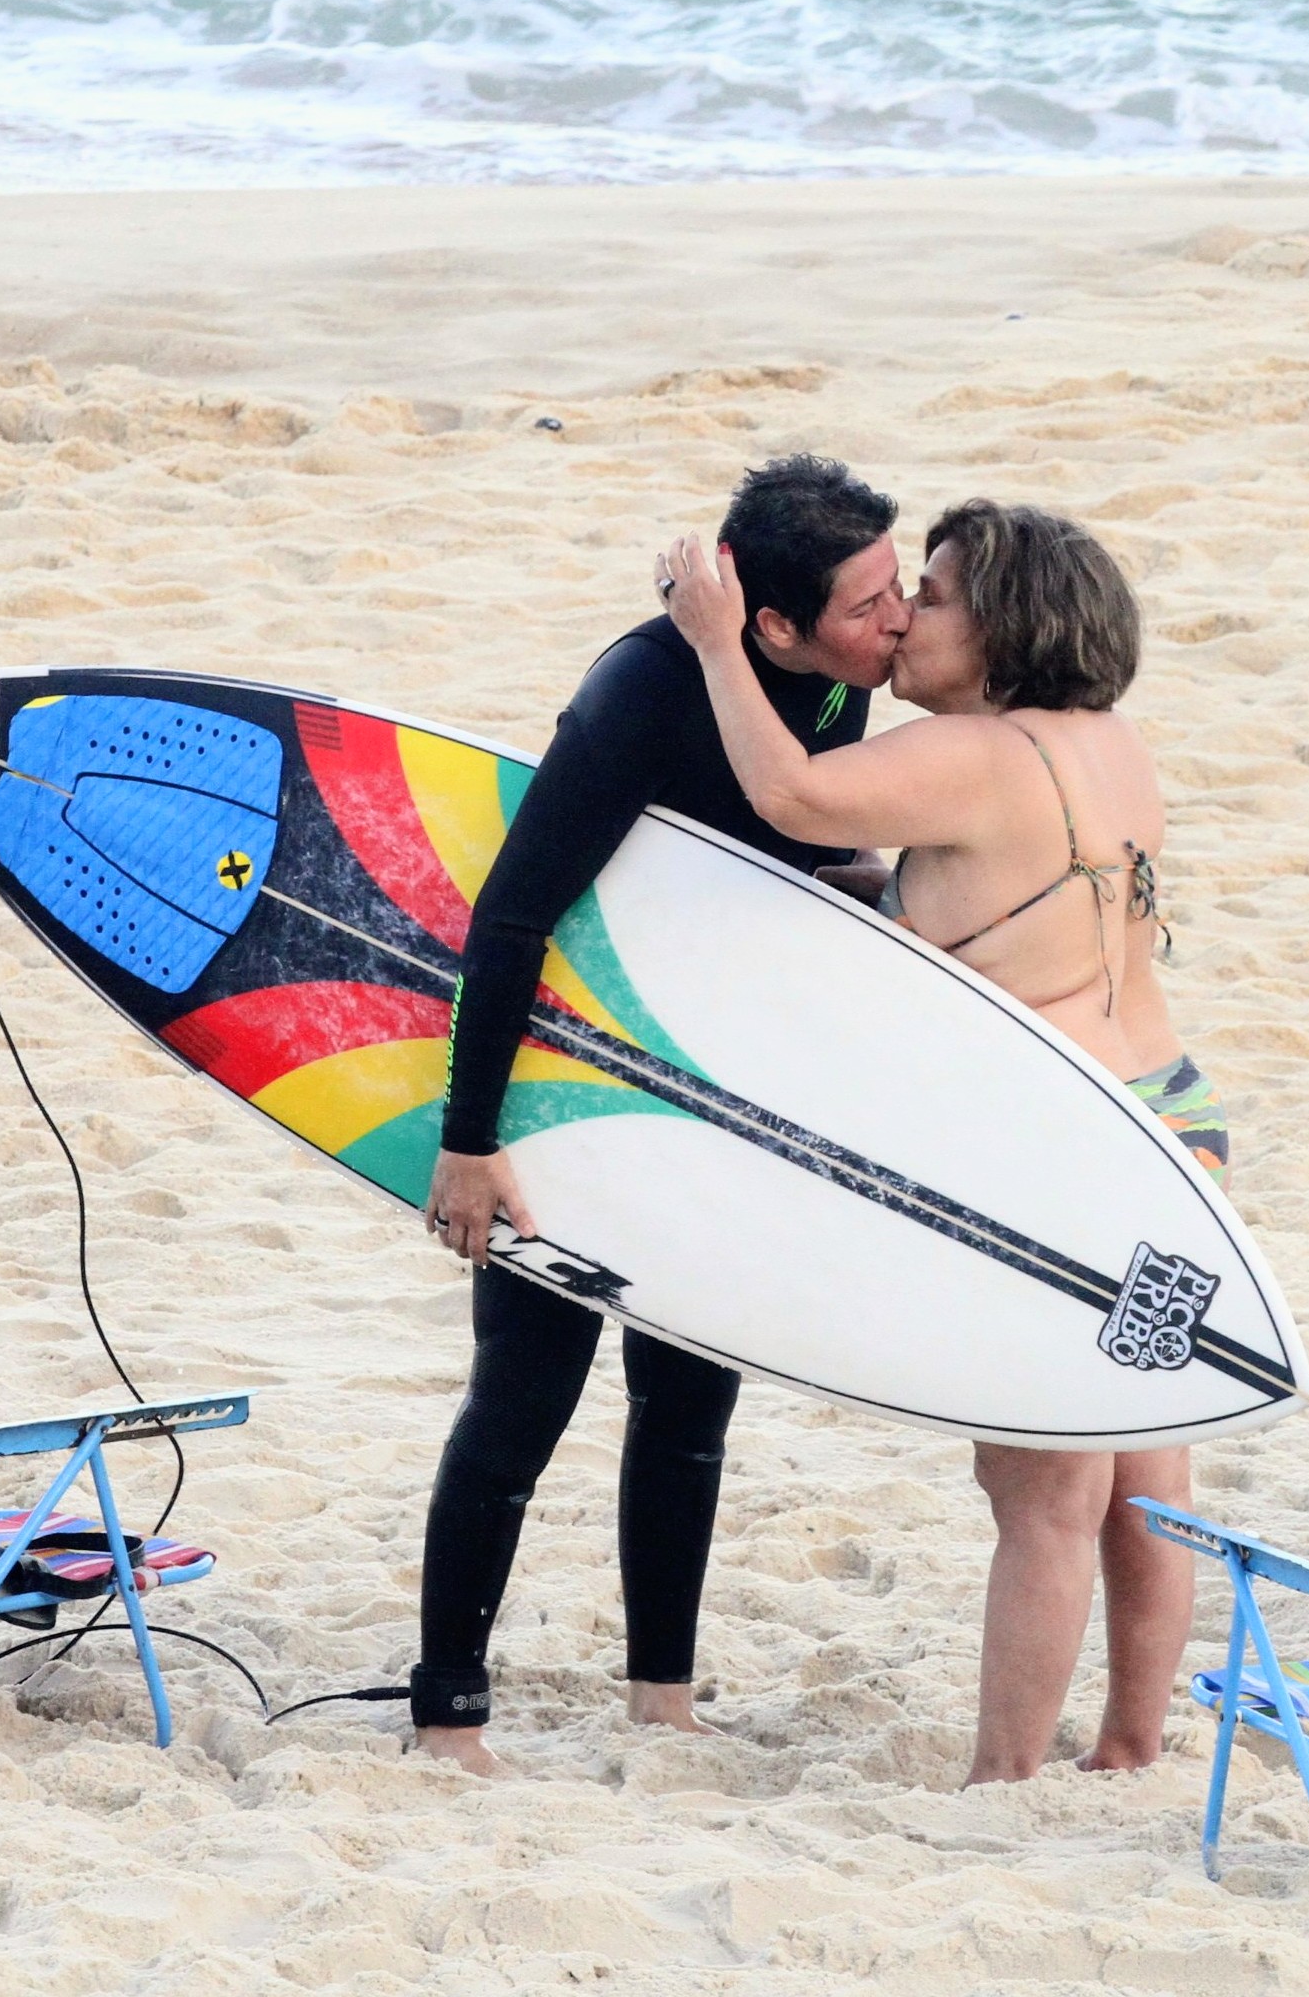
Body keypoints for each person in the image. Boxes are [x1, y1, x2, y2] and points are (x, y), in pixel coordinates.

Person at [656, 498, 1225, 1783]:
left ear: (1011, 624)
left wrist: (712, 642)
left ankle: (1003, 1779)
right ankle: (1129, 1745)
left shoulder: (983, 755)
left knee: (1043, 1495)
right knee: (1147, 1467)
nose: (910, 613)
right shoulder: (1109, 742)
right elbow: (1000, 902)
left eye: (943, 593)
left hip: (1071, 1154)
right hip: (1177, 1123)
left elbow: (793, 790)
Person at [414, 454, 907, 1775]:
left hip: (708, 1091)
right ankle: (446, 1714)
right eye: (873, 602)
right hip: (565, 1089)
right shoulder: (640, 692)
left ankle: (663, 1704)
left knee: (688, 1403)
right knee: (523, 1402)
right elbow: (510, 916)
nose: (901, 619)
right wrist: (469, 1142)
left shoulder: (825, 687)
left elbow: (761, 863)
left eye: (900, 588)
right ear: (774, 622)